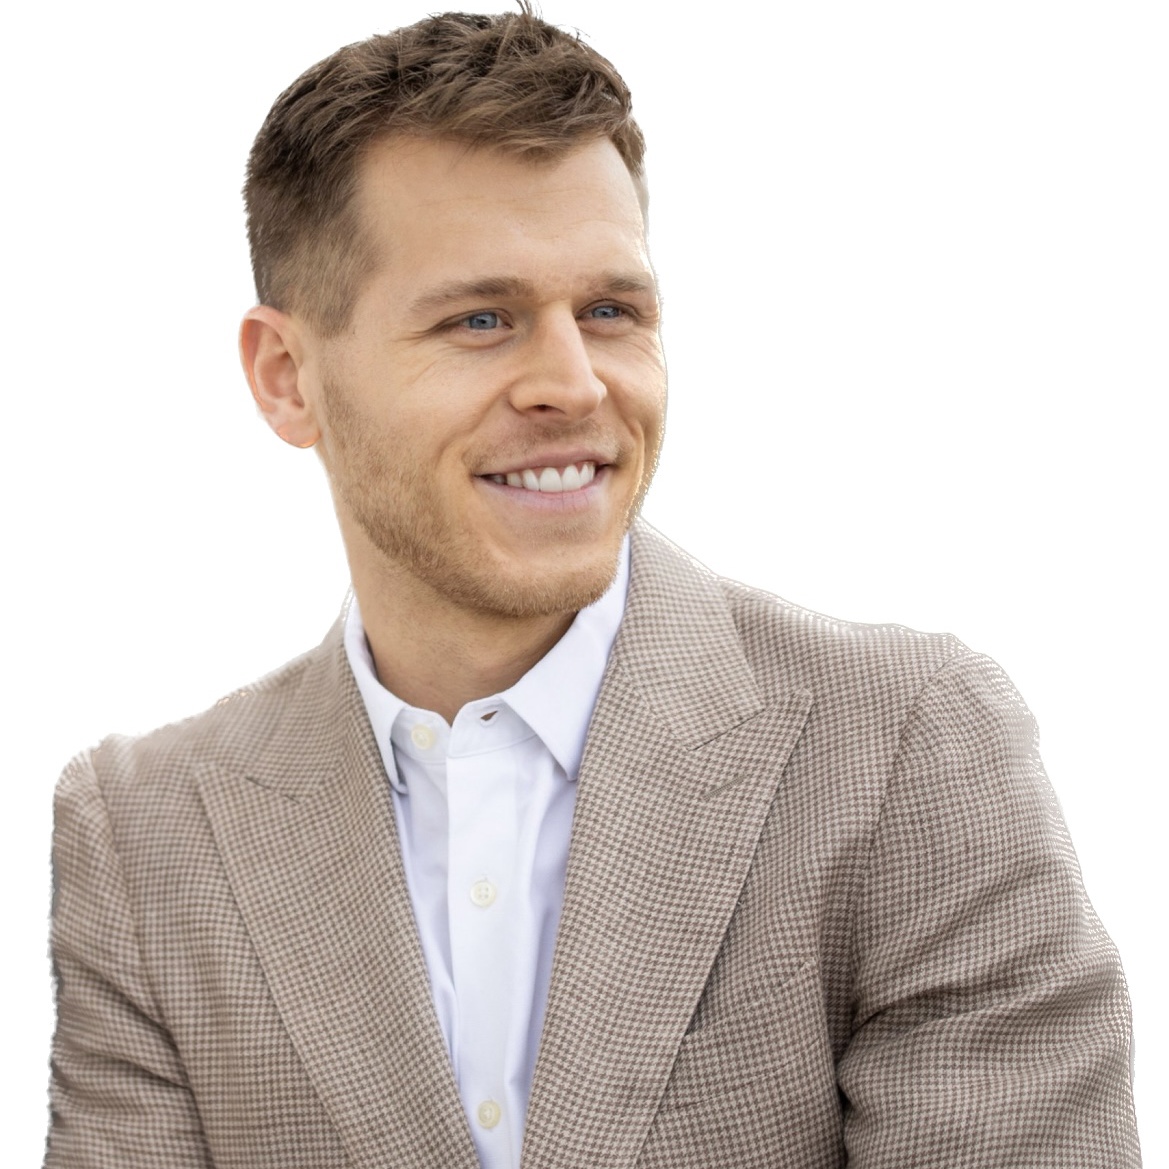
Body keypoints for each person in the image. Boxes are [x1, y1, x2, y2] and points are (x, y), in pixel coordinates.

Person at [45, 8, 1140, 1167]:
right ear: (285, 376)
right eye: (481, 319)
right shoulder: (142, 835)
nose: (572, 384)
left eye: (610, 312)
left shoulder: (901, 748)